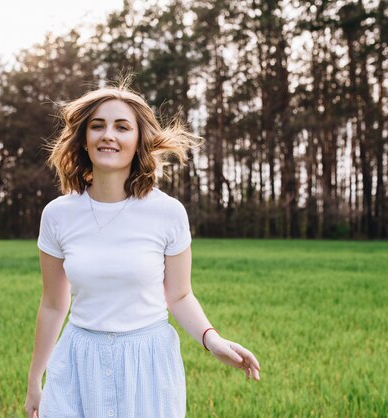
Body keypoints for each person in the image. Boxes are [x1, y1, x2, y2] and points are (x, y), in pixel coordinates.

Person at [24, 82, 260, 418]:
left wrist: (213, 340)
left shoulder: (167, 212)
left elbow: (178, 296)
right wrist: (35, 378)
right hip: (78, 359)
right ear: (84, 140)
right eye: (97, 126)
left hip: (147, 362)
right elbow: (52, 303)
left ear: (138, 142)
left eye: (122, 127)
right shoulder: (58, 214)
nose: (108, 135)